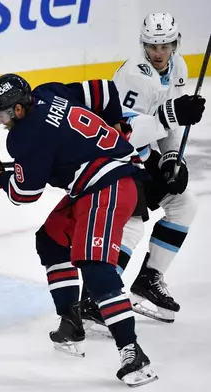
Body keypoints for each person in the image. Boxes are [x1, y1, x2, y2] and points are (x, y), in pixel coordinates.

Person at [0, 74, 156, 387]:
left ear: (18, 110)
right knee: (51, 239)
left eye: (2, 114)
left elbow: (24, 194)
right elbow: (105, 91)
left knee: (94, 263)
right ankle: (71, 321)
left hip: (110, 184)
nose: (0, 121)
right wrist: (115, 126)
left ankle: (133, 353)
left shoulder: (24, 137)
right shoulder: (48, 91)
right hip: (97, 180)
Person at [104, 12, 206, 323]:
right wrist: (173, 115)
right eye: (152, 46)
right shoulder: (136, 76)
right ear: (143, 45)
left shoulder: (179, 67)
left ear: (176, 43)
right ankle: (100, 296)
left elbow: (170, 122)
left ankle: (148, 279)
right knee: (133, 223)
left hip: (144, 152)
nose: (158, 53)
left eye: (164, 45)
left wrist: (172, 157)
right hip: (116, 155)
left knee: (184, 204)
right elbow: (125, 133)